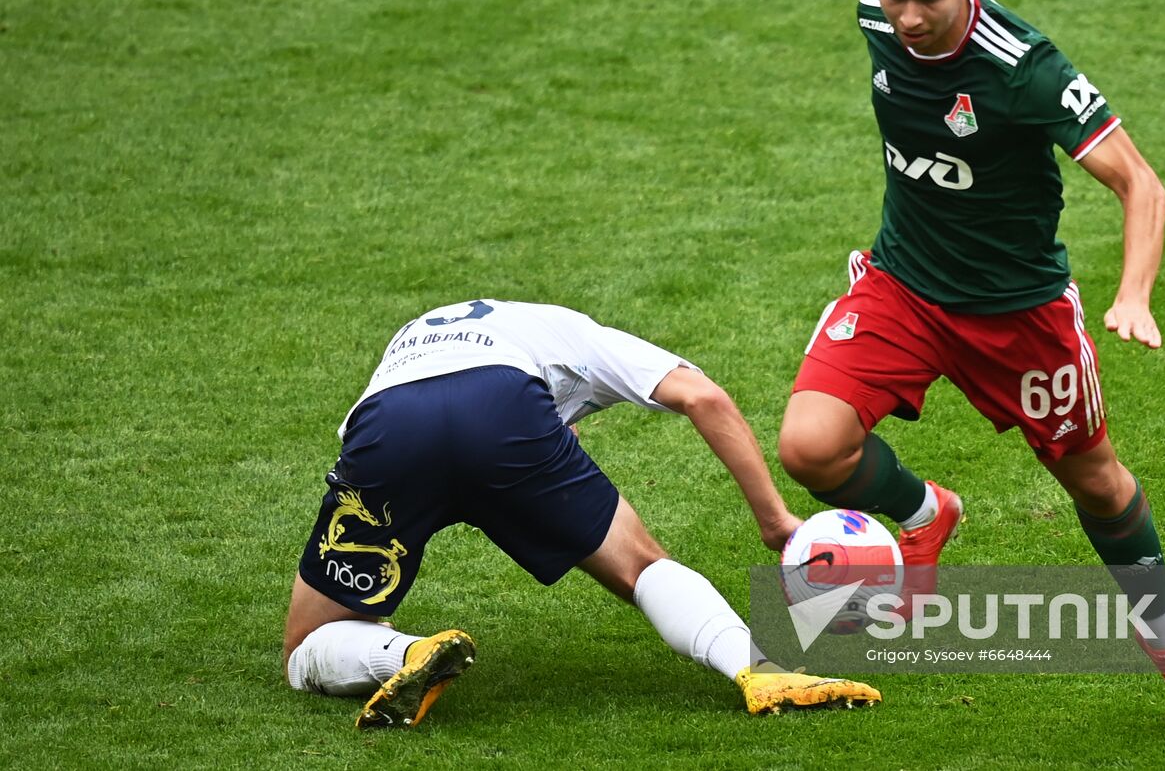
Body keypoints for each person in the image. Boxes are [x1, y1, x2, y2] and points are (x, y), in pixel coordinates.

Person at [775, 0, 1165, 732]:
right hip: (904, 286)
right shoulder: (873, 19)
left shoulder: (1024, 67)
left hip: (1016, 315)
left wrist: (1133, 294)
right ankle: (925, 511)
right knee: (809, 445)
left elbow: (1142, 183)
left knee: (1094, 479)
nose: (907, 17)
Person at [283, 297, 880, 728]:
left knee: (308, 641)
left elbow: (368, 440)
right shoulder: (580, 334)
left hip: (389, 424)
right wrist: (776, 521)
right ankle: (759, 668)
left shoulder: (442, 333)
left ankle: (409, 653)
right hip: (504, 411)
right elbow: (703, 396)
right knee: (641, 565)